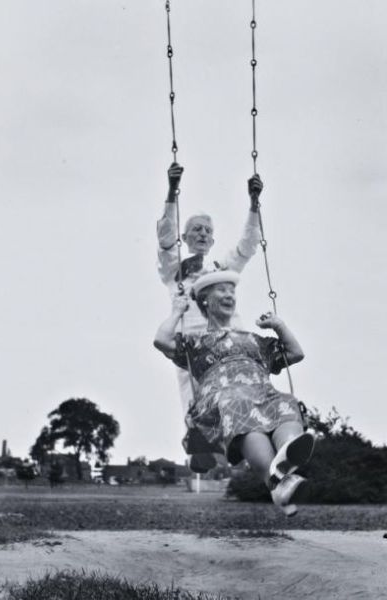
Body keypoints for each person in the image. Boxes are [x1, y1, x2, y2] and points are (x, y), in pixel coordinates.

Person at [154, 269, 315, 515]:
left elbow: (295, 353)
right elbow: (162, 340)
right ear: (205, 300)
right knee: (239, 404)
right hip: (222, 398)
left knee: (286, 402)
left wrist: (279, 326)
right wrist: (177, 311)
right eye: (222, 290)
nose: (229, 295)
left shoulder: (255, 340)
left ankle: (286, 462)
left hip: (262, 392)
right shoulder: (196, 342)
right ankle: (276, 480)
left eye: (232, 291)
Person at [157, 162, 263, 470]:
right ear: (186, 238)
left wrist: (254, 204)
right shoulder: (175, 268)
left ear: (213, 241)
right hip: (191, 338)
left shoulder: (221, 268)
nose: (202, 234)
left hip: (226, 336)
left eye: (208, 231)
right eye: (196, 230)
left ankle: (242, 439)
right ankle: (200, 443)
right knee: (194, 392)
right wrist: (172, 191)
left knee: (238, 383)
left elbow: (247, 246)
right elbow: (165, 238)